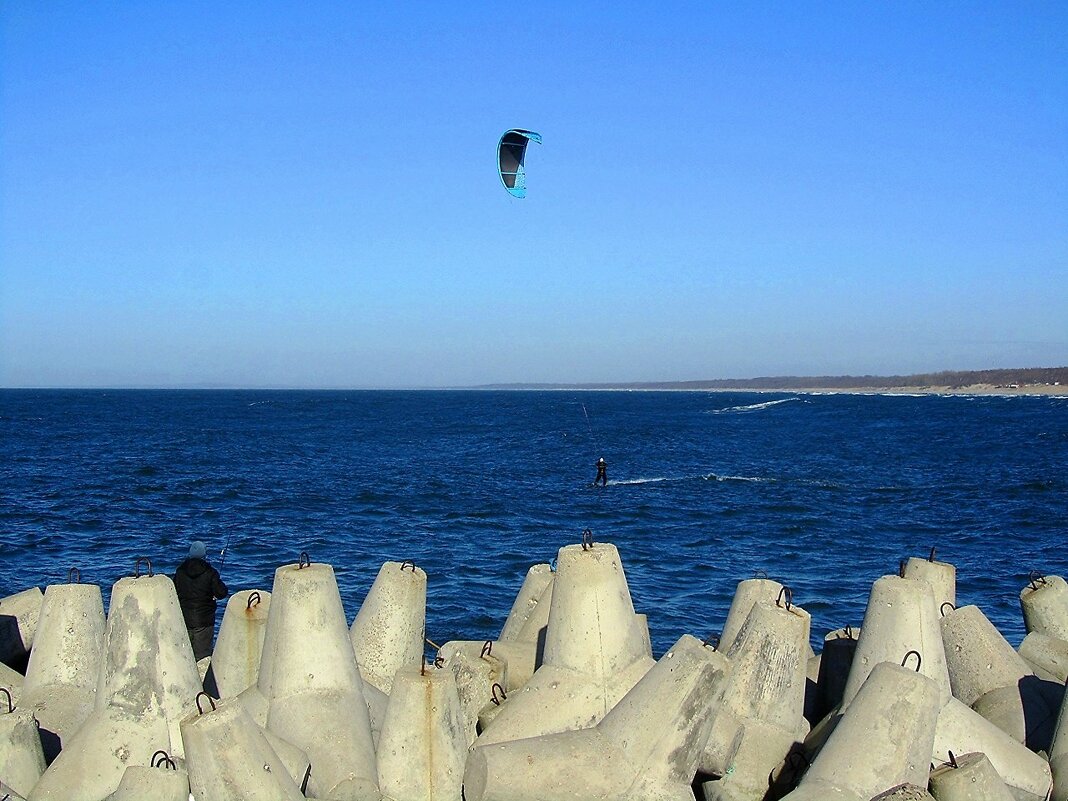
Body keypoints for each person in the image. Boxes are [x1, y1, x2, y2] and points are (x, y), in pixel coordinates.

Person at [173, 540, 229, 661]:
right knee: (202, 656)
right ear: (204, 555)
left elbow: (174, 591)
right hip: (204, 621)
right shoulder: (210, 572)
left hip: (184, 618)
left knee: (184, 656)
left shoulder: (180, 571)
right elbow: (222, 593)